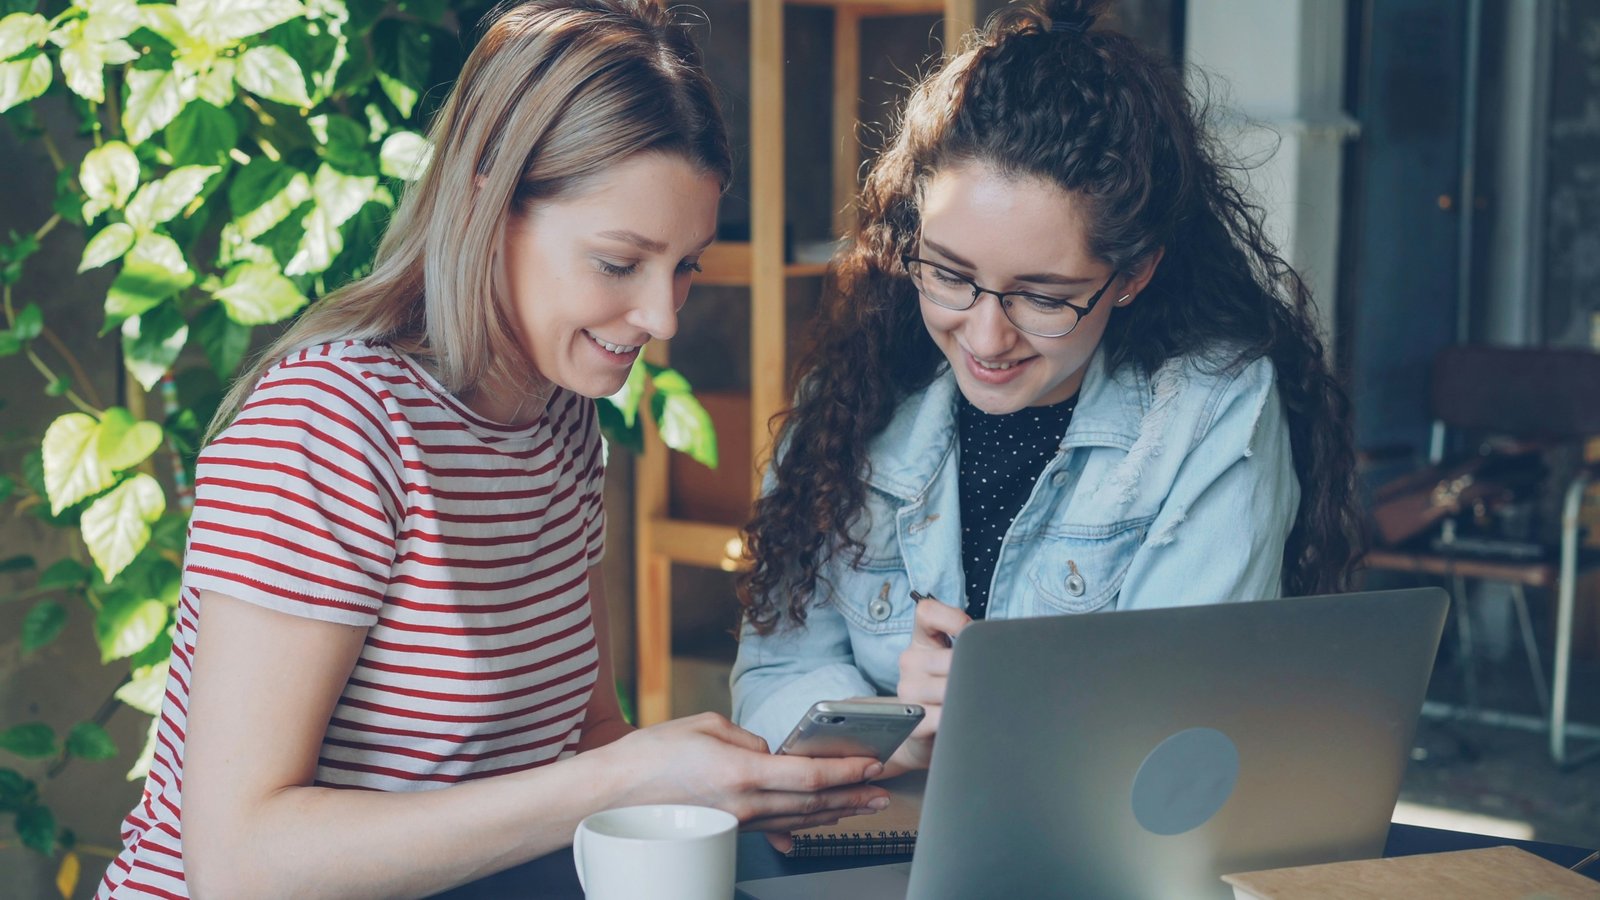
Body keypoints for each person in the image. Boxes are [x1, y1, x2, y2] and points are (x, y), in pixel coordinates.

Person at [98, 2, 891, 897]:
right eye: (620, 263)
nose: (663, 318)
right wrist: (625, 778)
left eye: (686, 265)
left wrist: (722, 792)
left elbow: (584, 744)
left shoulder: (556, 421)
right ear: (487, 195)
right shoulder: (327, 427)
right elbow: (238, 863)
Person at [731, 0, 1363, 779]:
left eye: (1043, 296)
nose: (988, 337)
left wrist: (1000, 710)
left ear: (1133, 274)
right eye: (951, 275)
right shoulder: (857, 391)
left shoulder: (1214, 412)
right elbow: (772, 677)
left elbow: (1181, 733)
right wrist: (893, 726)